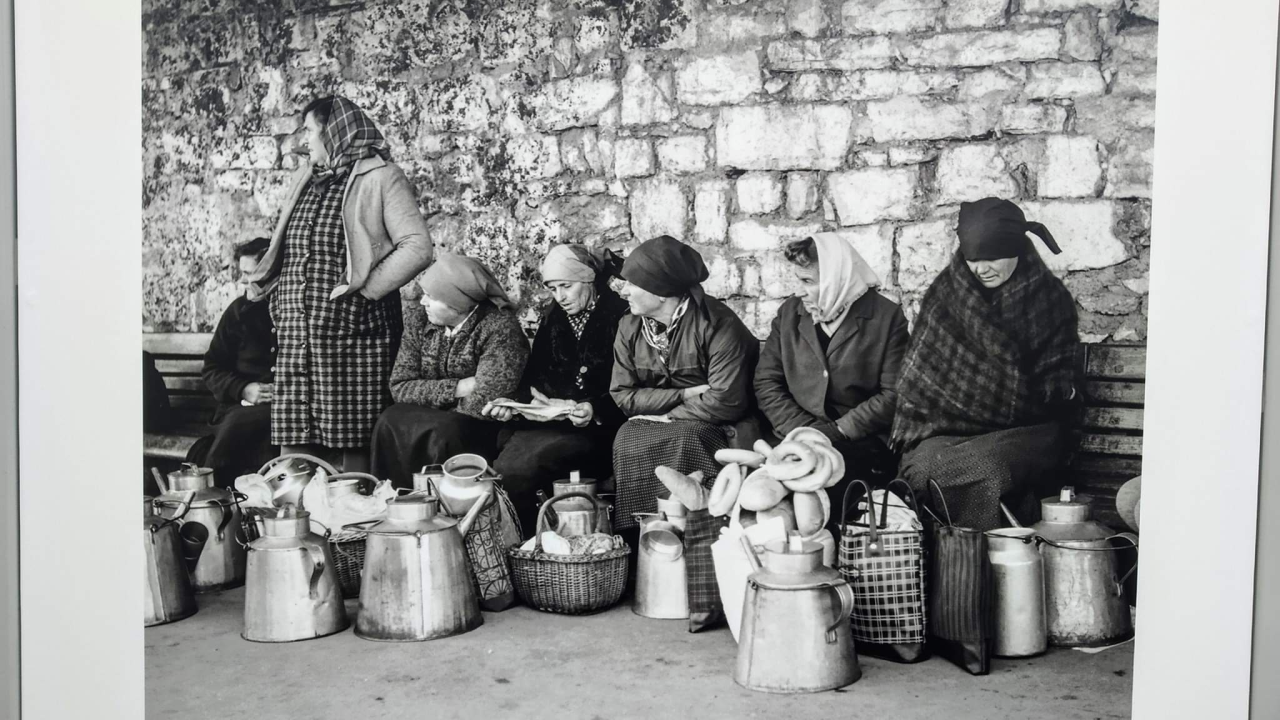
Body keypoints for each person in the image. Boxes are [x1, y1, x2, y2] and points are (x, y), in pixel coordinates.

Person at [246, 95, 433, 473]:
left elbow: (418, 247)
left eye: (312, 131)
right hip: (300, 338)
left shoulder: (381, 177)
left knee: (352, 453)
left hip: (355, 336)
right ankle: (298, 523)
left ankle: (353, 527)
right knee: (295, 453)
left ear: (336, 132)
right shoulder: (306, 178)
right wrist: (276, 295)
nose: (306, 141)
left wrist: (364, 291)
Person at [892, 197, 1082, 531]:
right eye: (973, 259)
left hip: (1027, 430)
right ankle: (946, 563)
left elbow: (1055, 384)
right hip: (945, 427)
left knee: (987, 467)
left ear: (1017, 250)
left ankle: (984, 566)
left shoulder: (1050, 300)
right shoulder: (945, 294)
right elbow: (921, 381)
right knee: (923, 467)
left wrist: (1045, 391)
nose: (982, 268)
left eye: (993, 257)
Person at [754, 234, 910, 534]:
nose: (801, 292)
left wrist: (837, 430)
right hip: (793, 436)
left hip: (858, 440)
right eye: (799, 280)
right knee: (767, 494)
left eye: (809, 281)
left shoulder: (886, 318)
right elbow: (766, 381)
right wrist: (804, 431)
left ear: (837, 278)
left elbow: (895, 394)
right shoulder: (790, 314)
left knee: (818, 487)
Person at [610, 235, 759, 531]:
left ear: (661, 291)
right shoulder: (629, 327)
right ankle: (643, 536)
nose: (623, 291)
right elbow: (623, 396)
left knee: (686, 436)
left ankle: (702, 532)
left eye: (632, 283)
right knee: (626, 435)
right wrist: (686, 393)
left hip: (720, 426)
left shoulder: (717, 324)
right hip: (666, 418)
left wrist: (666, 414)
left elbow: (725, 401)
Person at [479, 244, 630, 531]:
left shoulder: (621, 315)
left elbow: (631, 386)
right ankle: (523, 541)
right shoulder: (554, 317)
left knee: (521, 468)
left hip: (598, 429)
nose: (559, 297)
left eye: (566, 286)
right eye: (553, 288)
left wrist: (594, 408)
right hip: (552, 423)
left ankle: (528, 543)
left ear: (588, 280)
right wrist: (513, 404)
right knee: (503, 460)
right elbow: (535, 378)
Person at [371, 253, 529, 488]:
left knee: (445, 430)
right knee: (390, 419)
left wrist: (428, 396)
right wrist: (457, 387)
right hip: (441, 417)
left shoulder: (499, 327)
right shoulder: (418, 321)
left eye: (431, 297)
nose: (422, 302)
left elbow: (484, 402)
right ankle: (395, 500)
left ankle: (441, 506)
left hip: (478, 427)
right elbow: (400, 386)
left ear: (457, 302)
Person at [186, 237, 279, 485]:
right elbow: (212, 368)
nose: (242, 281)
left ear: (269, 271)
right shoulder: (238, 312)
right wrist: (244, 390)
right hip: (236, 412)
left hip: (279, 415)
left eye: (249, 273)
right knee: (237, 424)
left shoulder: (291, 311)